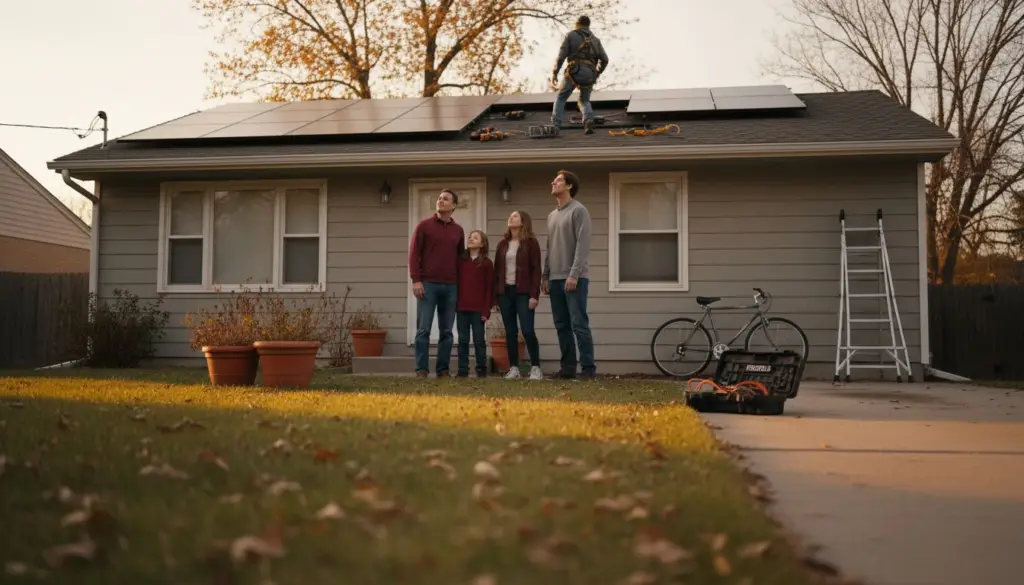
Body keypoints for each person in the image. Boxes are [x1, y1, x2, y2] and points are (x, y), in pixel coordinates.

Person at [541, 170, 595, 379]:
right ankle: (568, 368)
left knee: (579, 324)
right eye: (554, 179)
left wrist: (574, 274)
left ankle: (588, 369)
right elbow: (549, 247)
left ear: (569, 186)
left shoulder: (579, 210)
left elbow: (583, 244)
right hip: (555, 279)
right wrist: (545, 276)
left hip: (575, 279)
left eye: (559, 180)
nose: (554, 182)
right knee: (561, 325)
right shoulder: (551, 215)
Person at [408, 188, 465, 378]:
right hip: (428, 285)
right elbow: (414, 254)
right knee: (423, 329)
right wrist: (416, 280)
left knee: (447, 331)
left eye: (446, 199)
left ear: (454, 205)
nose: (441, 201)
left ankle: (443, 370)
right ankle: (421, 369)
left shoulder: (458, 231)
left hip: (450, 286)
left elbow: (460, 258)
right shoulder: (424, 226)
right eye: (439, 198)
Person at [492, 210, 543, 380]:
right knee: (510, 331)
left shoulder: (531, 243)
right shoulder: (502, 244)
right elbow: (496, 272)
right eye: (510, 215)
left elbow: (536, 271)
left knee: (527, 330)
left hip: (524, 292)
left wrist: (534, 295)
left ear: (523, 222)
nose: (511, 217)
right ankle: (513, 368)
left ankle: (536, 367)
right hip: (505, 293)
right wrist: (496, 297)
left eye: (515, 216)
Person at [550, 15, 609, 135]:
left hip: (574, 71)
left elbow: (561, 56)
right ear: (588, 26)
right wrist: (597, 73)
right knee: (584, 100)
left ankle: (555, 126)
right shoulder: (596, 40)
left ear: (577, 24)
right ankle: (588, 121)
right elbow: (605, 59)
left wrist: (555, 73)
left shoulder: (571, 35)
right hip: (589, 74)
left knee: (561, 97)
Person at [455, 229, 494, 378]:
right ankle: (463, 370)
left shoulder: (486, 263)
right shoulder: (460, 261)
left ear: (483, 243)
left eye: (475, 238)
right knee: (463, 340)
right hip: (462, 308)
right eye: (470, 237)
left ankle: (481, 369)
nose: (471, 239)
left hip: (478, 309)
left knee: (479, 340)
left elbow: (489, 288)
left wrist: (486, 311)